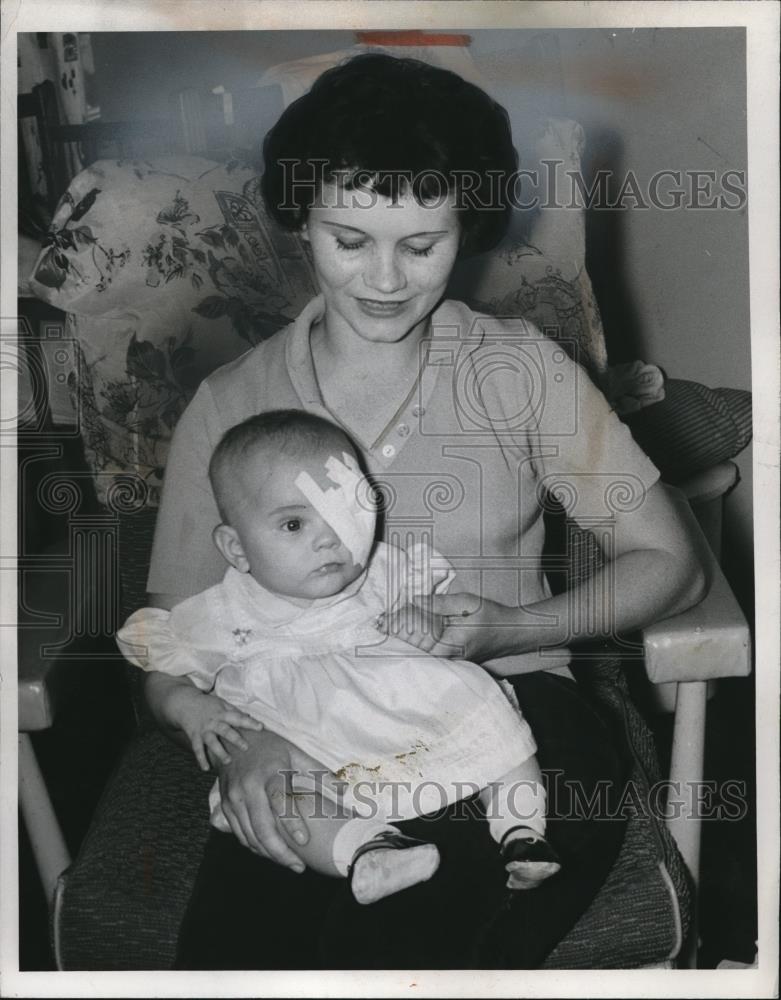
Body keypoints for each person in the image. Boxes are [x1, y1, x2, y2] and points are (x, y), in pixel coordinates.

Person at [143, 52, 707, 968]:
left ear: (467, 230)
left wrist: (513, 632)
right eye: (349, 239)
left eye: (422, 244)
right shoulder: (229, 405)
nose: (385, 280)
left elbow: (667, 560)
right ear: (301, 225)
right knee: (239, 951)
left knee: (421, 930)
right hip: (305, 728)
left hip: (520, 719)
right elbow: (170, 639)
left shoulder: (520, 372)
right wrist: (240, 751)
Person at [118, 409, 562, 905]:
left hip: (400, 711)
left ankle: (520, 828)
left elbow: (431, 617)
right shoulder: (220, 614)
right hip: (303, 743)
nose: (328, 537)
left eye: (343, 512)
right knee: (284, 800)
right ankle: (368, 849)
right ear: (237, 548)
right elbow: (161, 672)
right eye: (293, 523)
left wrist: (422, 621)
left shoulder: (379, 571)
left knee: (490, 713)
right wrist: (187, 706)